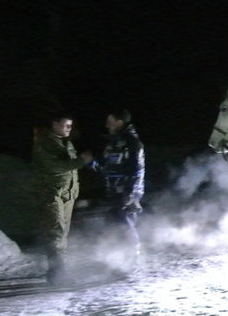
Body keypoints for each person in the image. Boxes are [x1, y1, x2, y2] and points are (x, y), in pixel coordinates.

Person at [31, 113, 93, 281]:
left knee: (62, 233)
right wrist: (81, 161)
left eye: (70, 126)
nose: (69, 129)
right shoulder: (45, 143)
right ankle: (57, 274)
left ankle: (58, 271)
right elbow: (55, 167)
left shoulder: (66, 142)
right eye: (66, 125)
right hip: (51, 193)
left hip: (66, 193)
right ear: (55, 124)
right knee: (56, 233)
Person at [97, 109, 146, 250]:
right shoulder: (114, 141)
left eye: (110, 122)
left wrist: (129, 193)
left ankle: (132, 256)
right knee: (113, 222)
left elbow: (136, 169)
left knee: (125, 222)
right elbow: (109, 166)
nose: (107, 125)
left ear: (119, 122)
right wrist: (93, 163)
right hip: (115, 189)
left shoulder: (131, 142)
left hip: (127, 191)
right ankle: (116, 257)